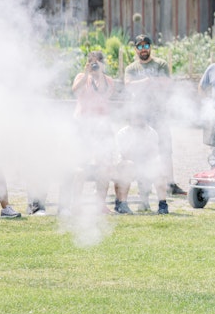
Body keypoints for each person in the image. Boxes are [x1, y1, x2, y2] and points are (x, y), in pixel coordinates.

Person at [124, 34, 186, 196]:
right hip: (140, 115)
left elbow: (166, 84)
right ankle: (144, 185)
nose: (143, 49)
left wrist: (147, 83)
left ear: (150, 47)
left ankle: (170, 184)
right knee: (142, 150)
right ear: (136, 49)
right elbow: (129, 86)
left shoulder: (161, 64)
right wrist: (147, 81)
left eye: (146, 46)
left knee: (165, 150)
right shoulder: (131, 68)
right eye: (140, 46)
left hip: (159, 113)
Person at [69, 50, 115, 214]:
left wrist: (100, 74)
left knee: (104, 167)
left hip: (101, 128)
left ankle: (100, 204)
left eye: (98, 62)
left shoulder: (108, 80)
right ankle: (76, 204)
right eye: (92, 62)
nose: (95, 65)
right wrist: (87, 74)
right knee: (81, 167)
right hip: (83, 126)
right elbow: (75, 90)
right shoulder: (82, 77)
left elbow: (106, 93)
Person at [112, 111, 169, 214]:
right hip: (125, 165)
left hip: (144, 164)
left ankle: (163, 205)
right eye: (136, 118)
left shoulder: (151, 132)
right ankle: (121, 204)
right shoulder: (123, 133)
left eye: (141, 118)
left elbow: (154, 154)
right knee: (129, 165)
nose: (138, 121)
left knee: (159, 167)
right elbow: (125, 155)